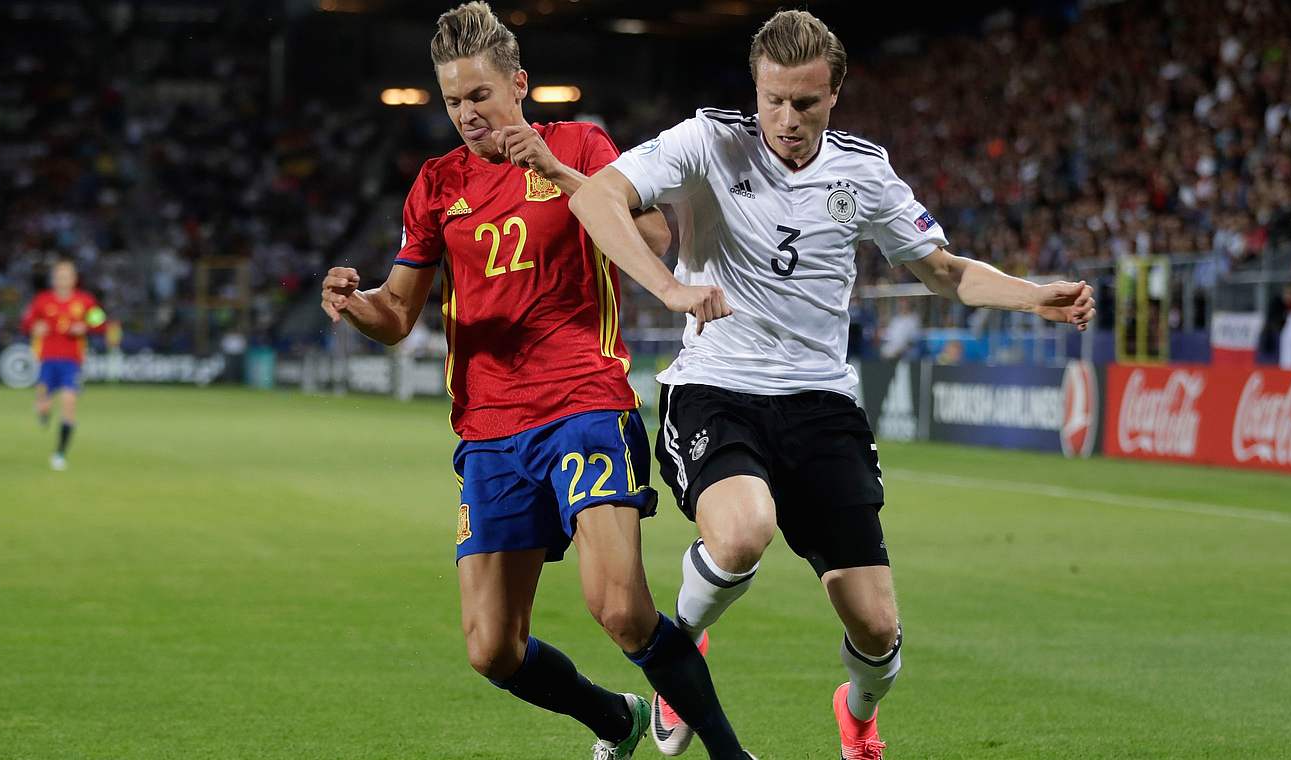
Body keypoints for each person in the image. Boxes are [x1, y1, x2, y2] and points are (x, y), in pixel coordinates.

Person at [570, 10, 1095, 760]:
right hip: (717, 386)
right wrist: (669, 288)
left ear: (834, 96)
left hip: (821, 405)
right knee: (742, 530)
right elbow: (596, 198)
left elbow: (943, 272)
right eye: (772, 99)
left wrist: (1033, 291)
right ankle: (675, 656)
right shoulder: (705, 140)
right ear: (755, 88)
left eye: (805, 103)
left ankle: (858, 713)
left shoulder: (864, 172)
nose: (785, 118)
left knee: (877, 627)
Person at [319, 4, 753, 759]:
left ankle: (727, 752)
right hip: (489, 431)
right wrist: (353, 305)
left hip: (584, 403)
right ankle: (613, 720)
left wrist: (559, 173)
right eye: (452, 101)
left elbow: (653, 240)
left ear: (518, 86)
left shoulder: (580, 144)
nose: (465, 114)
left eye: (479, 96)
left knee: (618, 609)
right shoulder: (436, 185)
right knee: (491, 648)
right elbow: (395, 316)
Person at [20, 261, 113, 471]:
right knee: (43, 402)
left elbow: (101, 322)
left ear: (74, 279)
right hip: (47, 360)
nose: (63, 280)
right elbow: (26, 323)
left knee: (69, 402)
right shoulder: (42, 301)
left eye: (67, 276)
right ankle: (43, 410)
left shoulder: (85, 301)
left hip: (72, 362)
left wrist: (86, 326)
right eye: (59, 276)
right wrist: (35, 327)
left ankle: (60, 453)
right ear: (54, 279)